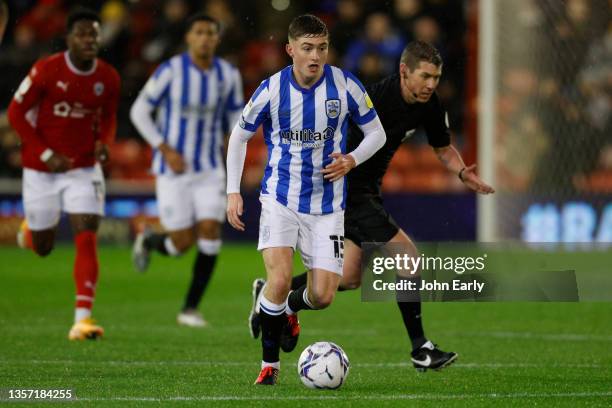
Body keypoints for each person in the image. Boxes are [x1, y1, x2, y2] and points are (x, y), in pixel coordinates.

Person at [249, 40, 495, 372]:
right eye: (425, 76)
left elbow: (442, 147)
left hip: (367, 191)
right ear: (404, 70)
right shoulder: (375, 98)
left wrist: (463, 171)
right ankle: (420, 348)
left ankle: (275, 297)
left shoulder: (430, 104)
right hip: (344, 191)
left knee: (347, 279)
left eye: (436, 77)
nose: (431, 84)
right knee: (408, 257)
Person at [226, 14, 386, 385]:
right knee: (279, 279)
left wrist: (351, 159)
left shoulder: (345, 85)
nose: (316, 56)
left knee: (324, 295)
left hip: (328, 207)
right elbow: (239, 136)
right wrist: (233, 191)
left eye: (322, 48)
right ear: (290, 50)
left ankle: (290, 312)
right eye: (307, 48)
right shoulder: (271, 88)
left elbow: (376, 134)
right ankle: (270, 366)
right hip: (280, 199)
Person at [8, 9, 120, 340]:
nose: (90, 40)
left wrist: (105, 143)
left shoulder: (108, 77)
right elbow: (16, 113)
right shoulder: (46, 69)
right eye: (83, 34)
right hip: (41, 169)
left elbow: (110, 117)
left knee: (86, 233)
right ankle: (30, 234)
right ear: (69, 38)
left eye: (94, 35)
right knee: (43, 247)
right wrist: (45, 153)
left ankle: (82, 319)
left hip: (84, 168)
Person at [130, 14, 243, 328]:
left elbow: (237, 119)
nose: (205, 37)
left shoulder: (228, 75)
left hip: (209, 169)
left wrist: (232, 141)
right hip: (172, 170)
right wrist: (164, 148)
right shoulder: (171, 70)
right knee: (180, 244)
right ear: (189, 38)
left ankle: (190, 308)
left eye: (211, 32)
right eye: (199, 32)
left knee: (210, 231)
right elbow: (138, 111)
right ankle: (151, 240)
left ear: (217, 39)